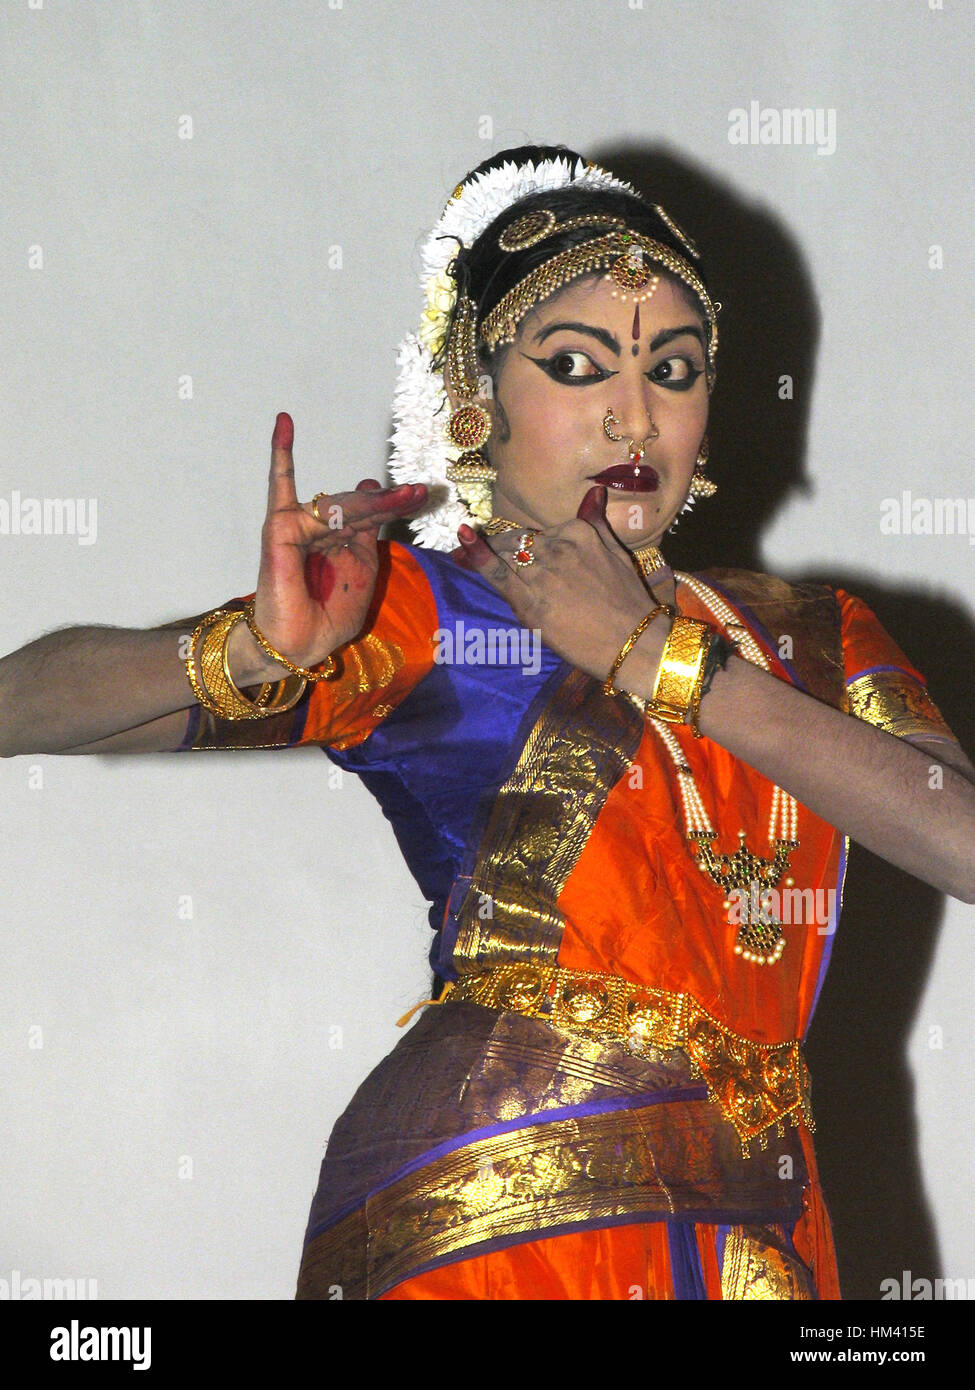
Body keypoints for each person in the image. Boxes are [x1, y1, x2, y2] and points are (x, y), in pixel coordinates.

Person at [2, 144, 973, 1301]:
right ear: (476, 401)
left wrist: (660, 655)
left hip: (758, 1219)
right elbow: (21, 703)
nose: (633, 413)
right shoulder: (432, 606)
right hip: (494, 1218)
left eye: (674, 367)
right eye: (576, 364)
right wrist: (248, 651)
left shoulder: (813, 633)